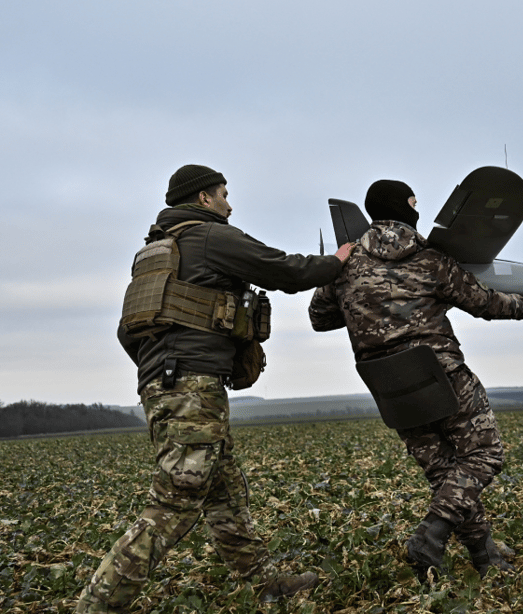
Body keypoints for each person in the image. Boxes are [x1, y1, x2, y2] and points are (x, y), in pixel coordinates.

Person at [75, 164, 353, 614]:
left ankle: (266, 583)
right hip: (189, 386)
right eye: (223, 193)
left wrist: (166, 374)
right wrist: (336, 261)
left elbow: (129, 332)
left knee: (224, 492)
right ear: (203, 198)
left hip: (170, 384)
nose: (229, 202)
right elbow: (281, 268)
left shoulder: (155, 253)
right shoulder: (208, 236)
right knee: (176, 503)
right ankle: (95, 605)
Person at [307, 179, 523, 578]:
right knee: (483, 455)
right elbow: (484, 302)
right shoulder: (430, 259)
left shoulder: (345, 264)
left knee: (444, 473)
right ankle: (430, 535)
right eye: (414, 204)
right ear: (405, 209)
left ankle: (485, 556)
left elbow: (319, 319)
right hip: (441, 374)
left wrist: (358, 299)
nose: (418, 210)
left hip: (389, 385)